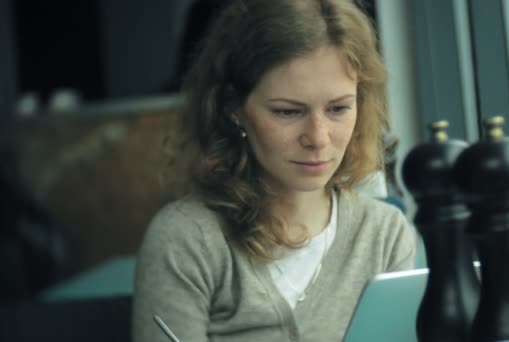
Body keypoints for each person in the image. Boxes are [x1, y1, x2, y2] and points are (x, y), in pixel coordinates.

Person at [132, 0, 417, 341]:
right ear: (233, 108)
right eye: (287, 112)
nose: (318, 138)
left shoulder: (385, 236)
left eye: (339, 108)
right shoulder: (186, 241)